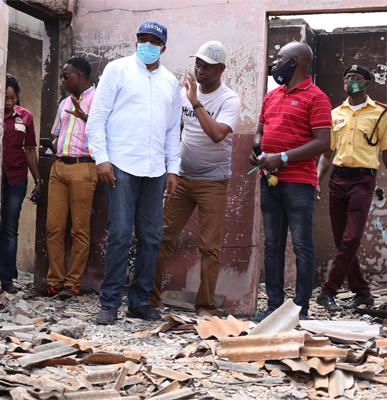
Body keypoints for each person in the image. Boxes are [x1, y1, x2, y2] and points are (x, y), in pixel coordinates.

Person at [86, 21, 181, 325]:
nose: (146, 44)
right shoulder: (118, 69)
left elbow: (171, 132)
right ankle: (110, 302)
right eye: (142, 39)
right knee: (120, 234)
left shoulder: (170, 82)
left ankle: (139, 301)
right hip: (121, 165)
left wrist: (173, 169)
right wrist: (101, 159)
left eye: (153, 41)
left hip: (154, 169)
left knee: (152, 237)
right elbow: (97, 117)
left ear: (163, 47)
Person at [149, 41, 241, 317]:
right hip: (182, 178)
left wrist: (195, 102)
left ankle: (204, 305)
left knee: (209, 247)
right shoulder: (184, 93)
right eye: (197, 65)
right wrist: (170, 169)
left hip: (213, 182)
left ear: (221, 70)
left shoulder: (229, 99)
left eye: (207, 67)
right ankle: (150, 299)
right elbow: (172, 130)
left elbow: (217, 135)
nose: (199, 71)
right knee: (162, 238)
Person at [249, 41, 332, 322]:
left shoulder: (316, 97)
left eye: (279, 59)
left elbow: (323, 142)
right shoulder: (272, 96)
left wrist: (282, 157)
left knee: (301, 246)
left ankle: (299, 310)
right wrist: (258, 151)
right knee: (272, 245)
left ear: (294, 62)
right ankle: (273, 308)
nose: (274, 64)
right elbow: (260, 131)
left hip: (298, 184)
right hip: (269, 180)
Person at [315, 65, 386, 312]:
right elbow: (327, 153)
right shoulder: (335, 113)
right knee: (342, 240)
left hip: (363, 182)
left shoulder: (380, 113)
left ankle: (328, 291)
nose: (350, 82)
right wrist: (317, 179)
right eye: (347, 78)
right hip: (337, 180)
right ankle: (363, 293)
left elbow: (385, 153)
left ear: (366, 83)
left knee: (352, 237)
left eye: (355, 78)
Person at [31, 57, 97, 300]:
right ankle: (54, 281)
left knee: (79, 229)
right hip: (59, 167)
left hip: (84, 166)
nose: (62, 80)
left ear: (79, 76)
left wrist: (85, 117)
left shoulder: (98, 101)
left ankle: (73, 282)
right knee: (53, 227)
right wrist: (50, 149)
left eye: (65, 75)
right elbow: (58, 135)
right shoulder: (63, 103)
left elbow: (108, 132)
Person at [0, 73, 42, 294]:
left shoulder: (25, 117)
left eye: (12, 98)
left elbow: (30, 150)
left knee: (9, 228)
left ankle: (7, 280)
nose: (8, 103)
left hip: (16, 179)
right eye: (5, 98)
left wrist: (38, 180)